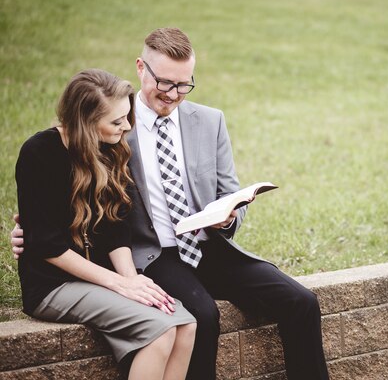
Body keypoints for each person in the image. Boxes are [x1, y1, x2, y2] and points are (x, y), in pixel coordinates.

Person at [13, 28, 329, 380]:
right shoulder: (114, 127)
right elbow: (76, 190)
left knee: (301, 302)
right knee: (203, 316)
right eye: (164, 82)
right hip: (152, 254)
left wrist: (226, 218)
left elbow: (230, 193)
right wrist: (32, 229)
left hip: (208, 244)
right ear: (140, 68)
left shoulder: (210, 121)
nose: (173, 94)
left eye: (183, 85)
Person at [14, 69, 197, 379]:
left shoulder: (111, 149)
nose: (126, 127)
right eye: (116, 121)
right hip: (53, 285)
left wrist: (132, 279)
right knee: (160, 329)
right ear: (85, 121)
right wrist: (119, 284)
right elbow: (47, 245)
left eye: (127, 117)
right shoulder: (40, 153)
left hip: (104, 277)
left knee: (185, 324)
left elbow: (116, 228)